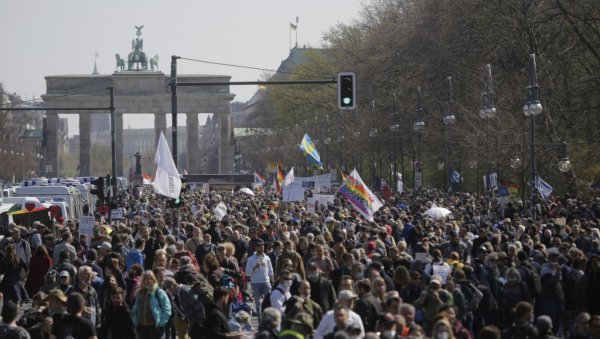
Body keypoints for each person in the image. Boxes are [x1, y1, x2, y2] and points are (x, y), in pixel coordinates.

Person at [131, 270, 172, 339]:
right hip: (141, 328)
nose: (149, 281)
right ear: (143, 281)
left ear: (154, 280)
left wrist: (160, 323)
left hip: (155, 328)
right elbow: (135, 307)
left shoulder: (159, 292)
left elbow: (167, 309)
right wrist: (135, 321)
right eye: (146, 279)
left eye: (151, 278)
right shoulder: (140, 292)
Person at [245, 238, 274, 317]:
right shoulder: (251, 259)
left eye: (263, 247)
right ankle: (259, 317)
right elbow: (247, 272)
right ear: (256, 248)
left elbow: (270, 269)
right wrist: (255, 267)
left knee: (268, 299)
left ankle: (268, 316)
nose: (262, 248)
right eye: (260, 247)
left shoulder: (267, 258)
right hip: (255, 283)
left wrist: (272, 280)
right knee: (257, 302)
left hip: (266, 282)